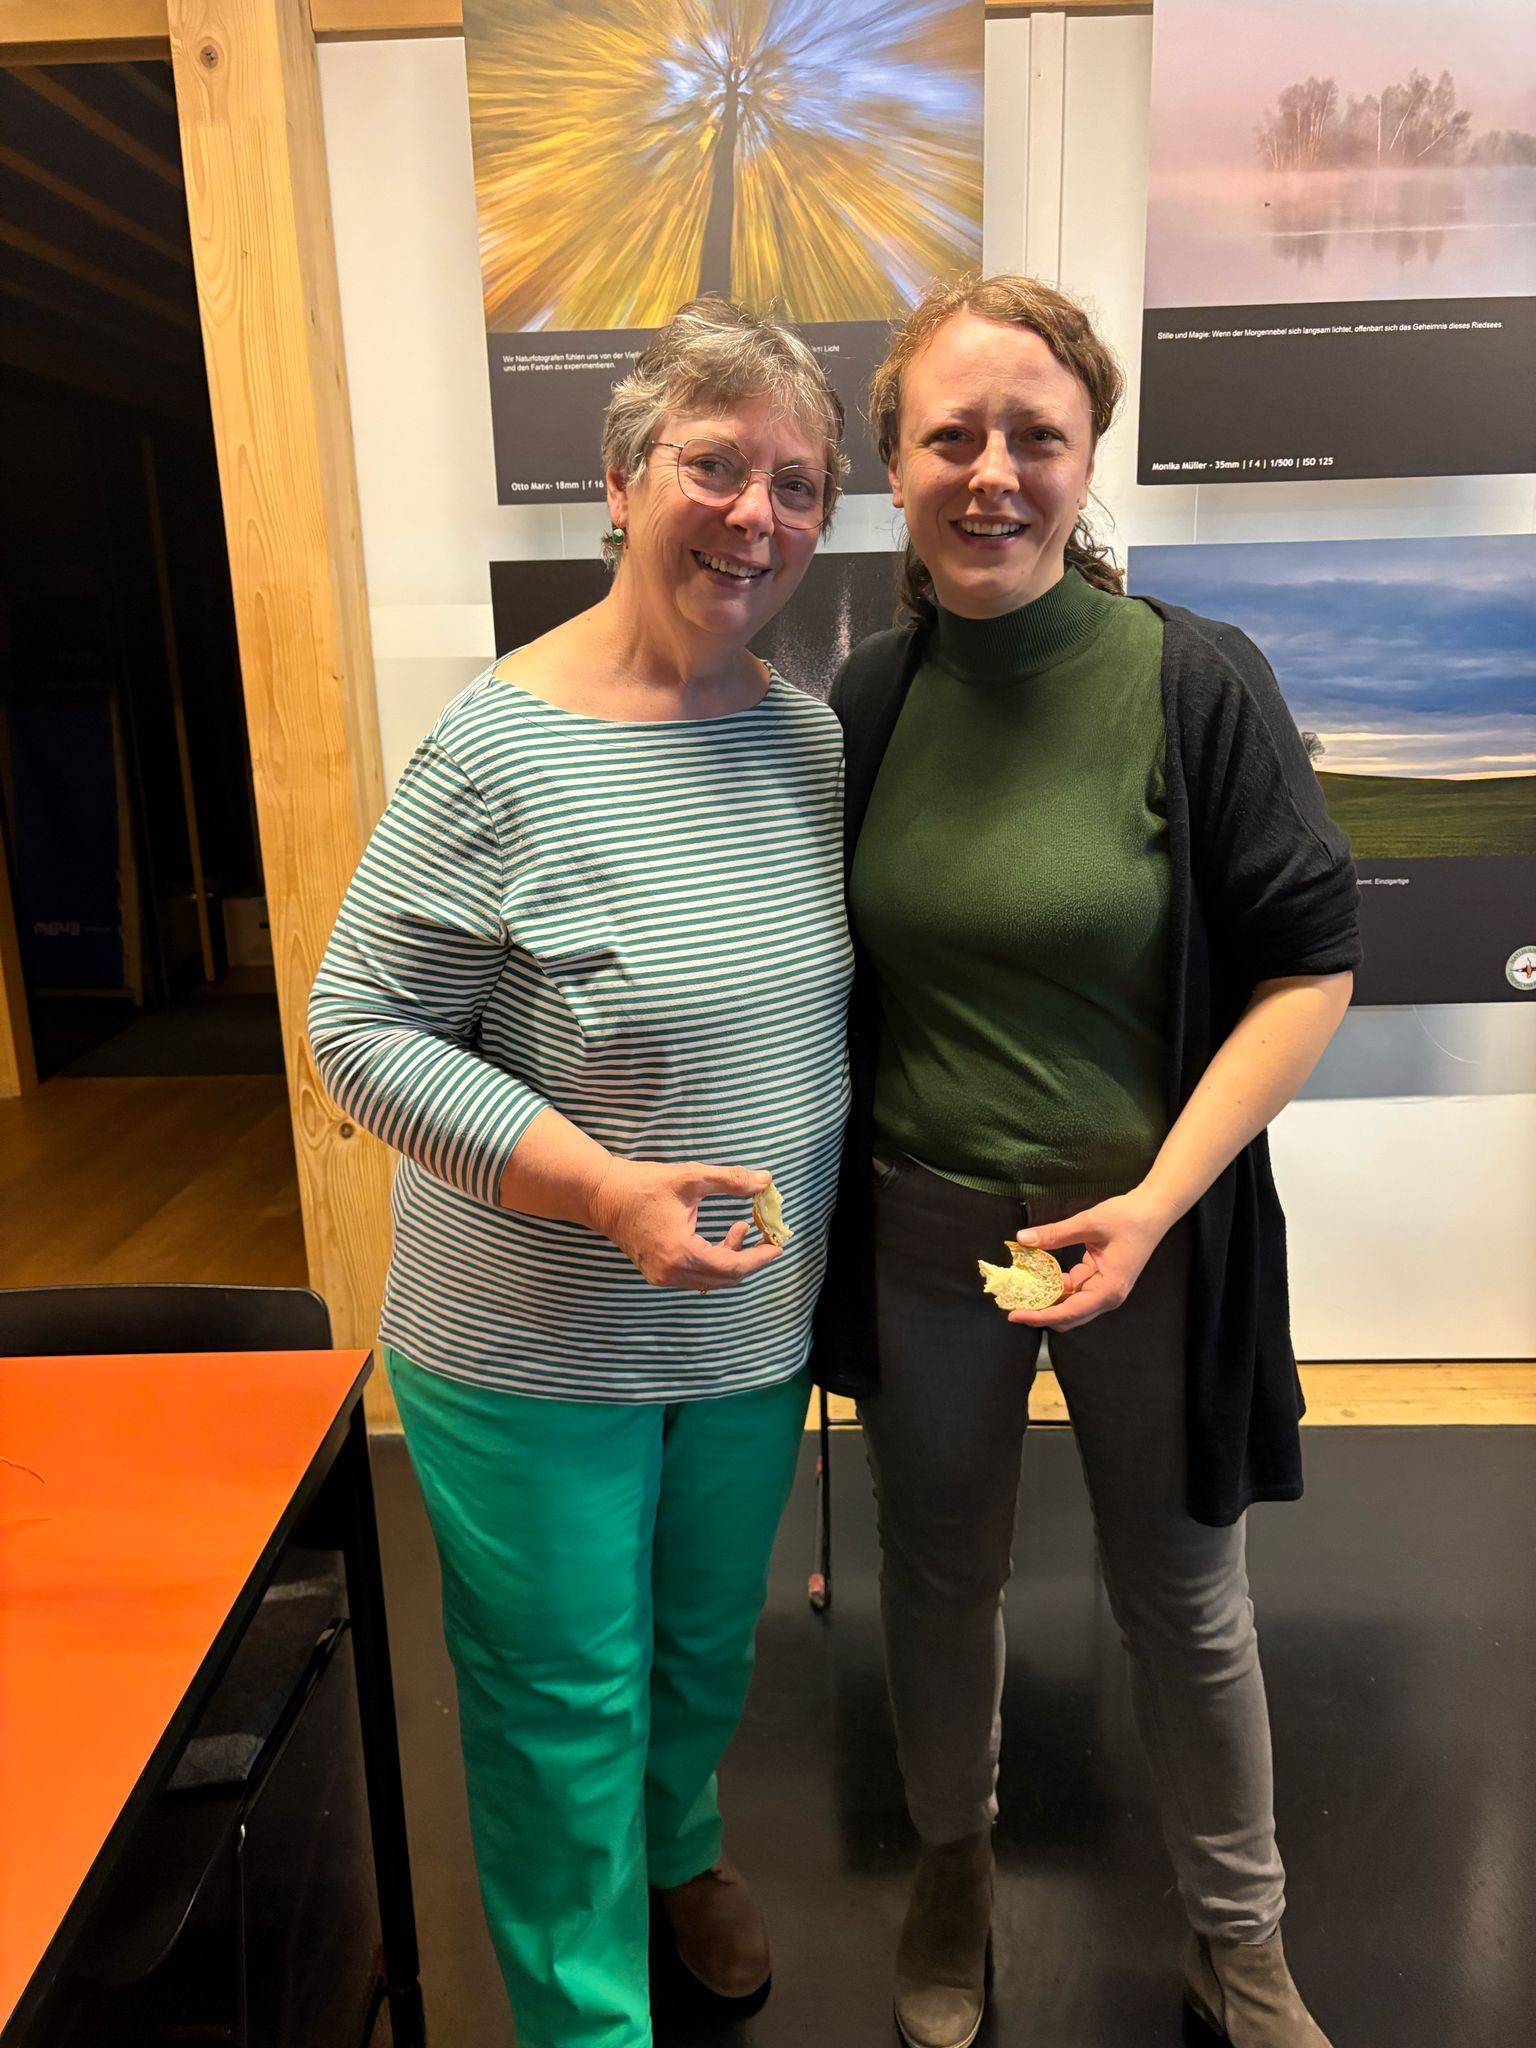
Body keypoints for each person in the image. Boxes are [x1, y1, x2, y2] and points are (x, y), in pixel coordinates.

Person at [812, 275, 1359, 2048]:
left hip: (1152, 1229)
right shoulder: (871, 699)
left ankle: (1241, 1937)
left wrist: (1159, 1201)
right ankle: (953, 1872)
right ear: (897, 462)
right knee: (940, 1580)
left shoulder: (1192, 682)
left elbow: (1307, 969)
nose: (993, 473)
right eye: (952, 435)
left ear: (1089, 452)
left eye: (1035, 435)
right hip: (924, 1227)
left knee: (1185, 1598)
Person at [308, 298, 851, 2048]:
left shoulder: (811, 742)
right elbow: (359, 1029)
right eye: (715, 465)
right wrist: (605, 1189)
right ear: (620, 482)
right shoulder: (499, 749)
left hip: (745, 1333)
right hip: (531, 1342)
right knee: (561, 1697)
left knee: (700, 1652)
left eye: (796, 482)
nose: (755, 513)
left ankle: (677, 1853)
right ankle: (583, 2016)